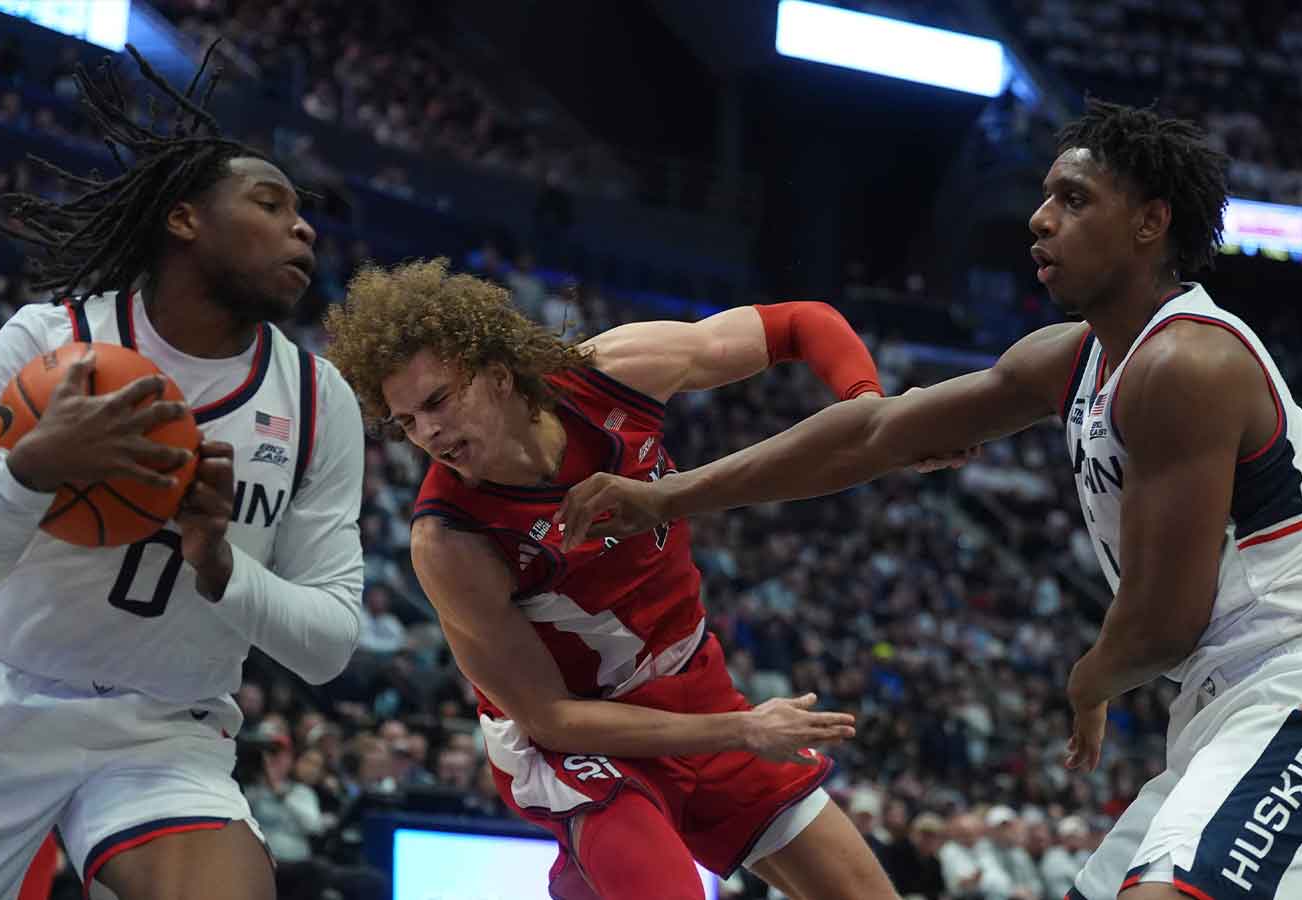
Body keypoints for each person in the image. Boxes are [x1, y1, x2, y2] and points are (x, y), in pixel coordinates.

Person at [555, 99, 1302, 900]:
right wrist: (668, 495)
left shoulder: (1185, 363)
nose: (1039, 219)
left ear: (1151, 222)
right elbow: (872, 433)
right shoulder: (1075, 358)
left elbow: (1163, 623)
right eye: (1046, 197)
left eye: (1074, 199)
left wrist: (1089, 679)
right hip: (1228, 699)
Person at [0, 45, 365, 900]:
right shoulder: (44, 341)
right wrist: (33, 472)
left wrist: (223, 567)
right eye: (270, 204)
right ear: (183, 218)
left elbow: (329, 645)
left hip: (164, 731)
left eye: (302, 214)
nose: (302, 228)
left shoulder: (319, 399)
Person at [321, 257, 902, 900]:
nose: (428, 431)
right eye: (406, 421)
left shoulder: (611, 373)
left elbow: (799, 323)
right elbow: (554, 719)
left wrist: (865, 407)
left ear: (496, 373)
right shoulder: (449, 538)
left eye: (437, 401)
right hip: (579, 741)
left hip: (689, 684)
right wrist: (740, 730)